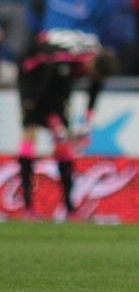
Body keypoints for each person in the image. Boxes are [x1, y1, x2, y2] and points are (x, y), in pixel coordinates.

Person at [16, 29, 116, 220]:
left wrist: (86, 124)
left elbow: (95, 87)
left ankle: (70, 208)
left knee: (62, 145)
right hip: (32, 75)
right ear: (91, 63)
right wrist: (55, 122)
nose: (89, 77)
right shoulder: (63, 61)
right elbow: (45, 93)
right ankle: (27, 207)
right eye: (92, 73)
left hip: (55, 78)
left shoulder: (96, 60)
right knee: (31, 132)